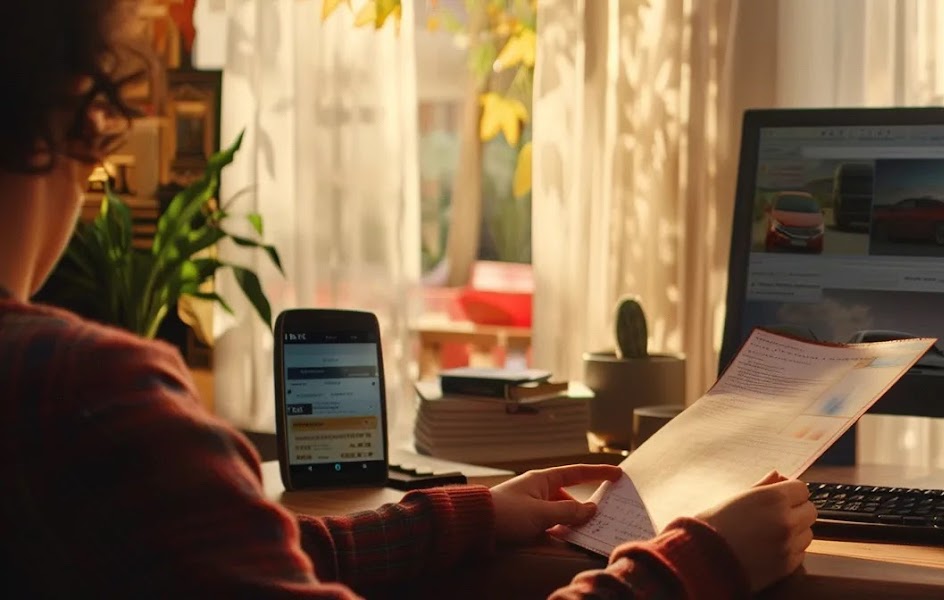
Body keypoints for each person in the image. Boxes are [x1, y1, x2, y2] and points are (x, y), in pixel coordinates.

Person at [0, 1, 815, 598]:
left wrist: (466, 517)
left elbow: (216, 556)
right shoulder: (86, 397)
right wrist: (703, 559)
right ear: (76, 106)